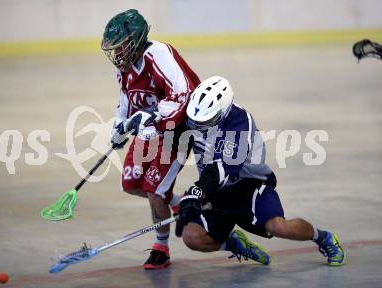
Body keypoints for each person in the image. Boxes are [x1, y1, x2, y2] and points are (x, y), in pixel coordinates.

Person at [175, 75, 345, 266]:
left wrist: (197, 192)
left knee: (279, 227)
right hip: (216, 189)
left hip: (249, 184)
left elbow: (223, 168)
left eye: (205, 121)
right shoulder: (194, 117)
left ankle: (323, 237)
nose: (197, 126)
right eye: (194, 120)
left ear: (223, 112)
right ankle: (234, 243)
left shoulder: (240, 123)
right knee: (192, 237)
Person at [101, 9, 200, 269]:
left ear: (135, 39)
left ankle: (161, 248)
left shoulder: (159, 55)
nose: (117, 53)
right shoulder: (125, 67)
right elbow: (126, 100)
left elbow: (183, 95)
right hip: (152, 129)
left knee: (154, 190)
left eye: (121, 45)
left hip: (176, 130)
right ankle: (178, 204)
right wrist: (120, 125)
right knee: (131, 182)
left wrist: (152, 116)